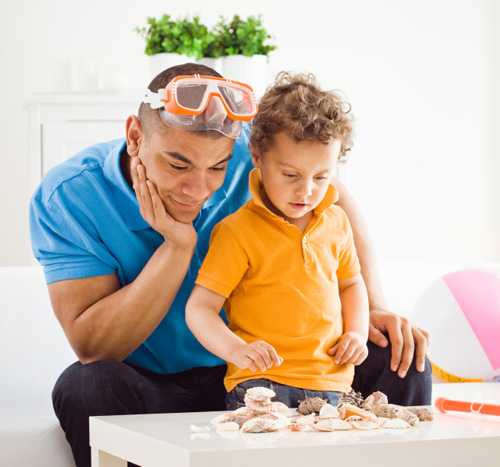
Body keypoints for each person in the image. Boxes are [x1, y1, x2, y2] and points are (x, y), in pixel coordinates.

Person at [29, 63, 431, 467]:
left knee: (401, 358)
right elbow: (94, 346)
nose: (198, 189)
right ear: (135, 136)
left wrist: (375, 306)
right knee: (84, 386)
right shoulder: (71, 196)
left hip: (273, 375)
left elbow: (335, 199)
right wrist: (177, 247)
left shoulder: (256, 153)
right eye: (178, 164)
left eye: (217, 167)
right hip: (159, 390)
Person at [186, 72, 370, 408]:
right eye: (290, 175)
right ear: (257, 156)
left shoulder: (337, 222)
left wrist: (357, 333)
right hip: (261, 385)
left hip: (334, 386)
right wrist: (236, 351)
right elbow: (199, 309)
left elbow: (351, 284)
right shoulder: (237, 231)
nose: (306, 191)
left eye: (321, 176)